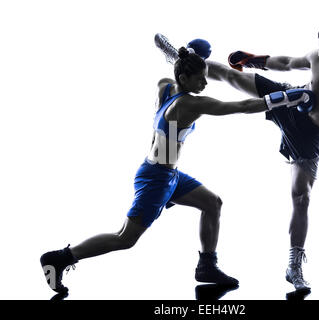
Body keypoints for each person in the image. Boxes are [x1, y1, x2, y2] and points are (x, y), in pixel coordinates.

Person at [40, 47, 282, 294]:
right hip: (157, 179)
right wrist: (282, 98)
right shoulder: (188, 104)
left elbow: (172, 67)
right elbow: (239, 106)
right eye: (200, 78)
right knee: (125, 238)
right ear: (184, 79)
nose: (205, 83)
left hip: (166, 174)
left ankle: (207, 266)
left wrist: (183, 58)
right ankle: (60, 258)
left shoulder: (165, 87)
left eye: (205, 77)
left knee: (212, 203)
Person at [205, 21, 319, 291]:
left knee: (302, 197)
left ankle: (293, 266)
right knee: (233, 77)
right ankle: (188, 63)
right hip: (291, 102)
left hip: (310, 136)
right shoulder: (316, 56)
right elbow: (286, 63)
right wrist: (252, 60)